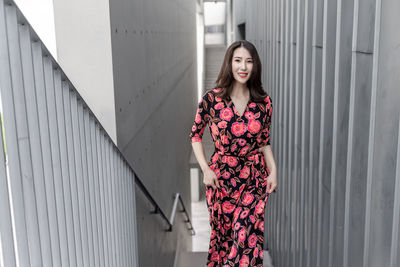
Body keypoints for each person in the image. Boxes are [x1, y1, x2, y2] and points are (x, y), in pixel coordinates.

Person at [189, 40, 278, 266]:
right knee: (224, 241)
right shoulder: (212, 99)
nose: (243, 67)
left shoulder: (264, 102)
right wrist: (206, 170)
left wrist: (274, 171)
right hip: (221, 180)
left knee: (245, 238)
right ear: (229, 63)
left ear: (255, 66)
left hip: (253, 179)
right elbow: (195, 135)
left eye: (249, 62)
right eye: (238, 60)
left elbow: (264, 142)